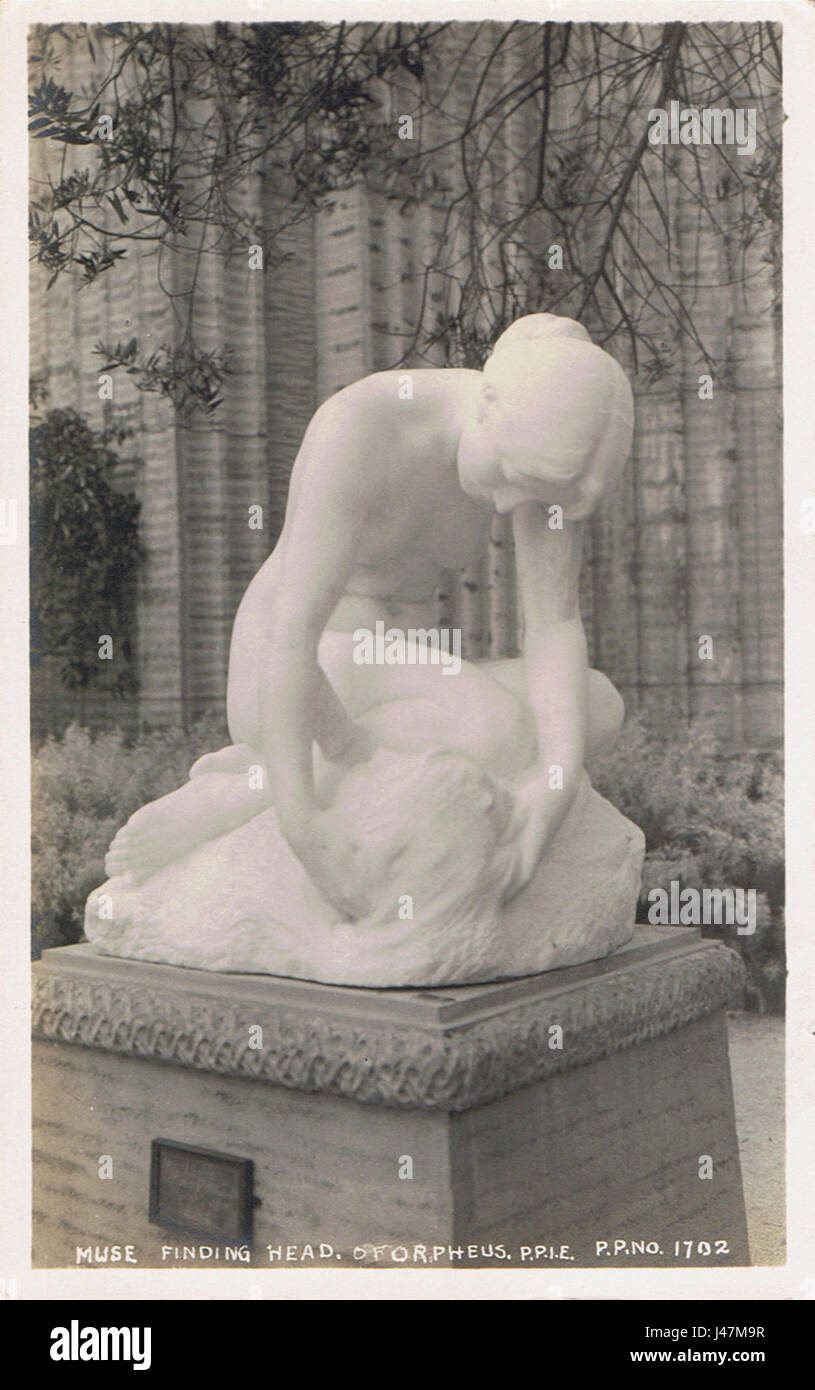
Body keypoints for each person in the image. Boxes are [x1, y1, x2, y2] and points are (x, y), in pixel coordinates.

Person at [105, 313, 634, 919]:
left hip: (402, 684)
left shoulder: (537, 456)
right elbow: (292, 635)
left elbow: (554, 624)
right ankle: (255, 791)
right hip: (302, 667)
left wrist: (557, 785)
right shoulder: (365, 425)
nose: (515, 505)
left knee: (596, 706)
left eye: (536, 494)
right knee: (500, 727)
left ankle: (311, 770)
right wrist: (307, 832)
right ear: (487, 404)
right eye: (513, 478)